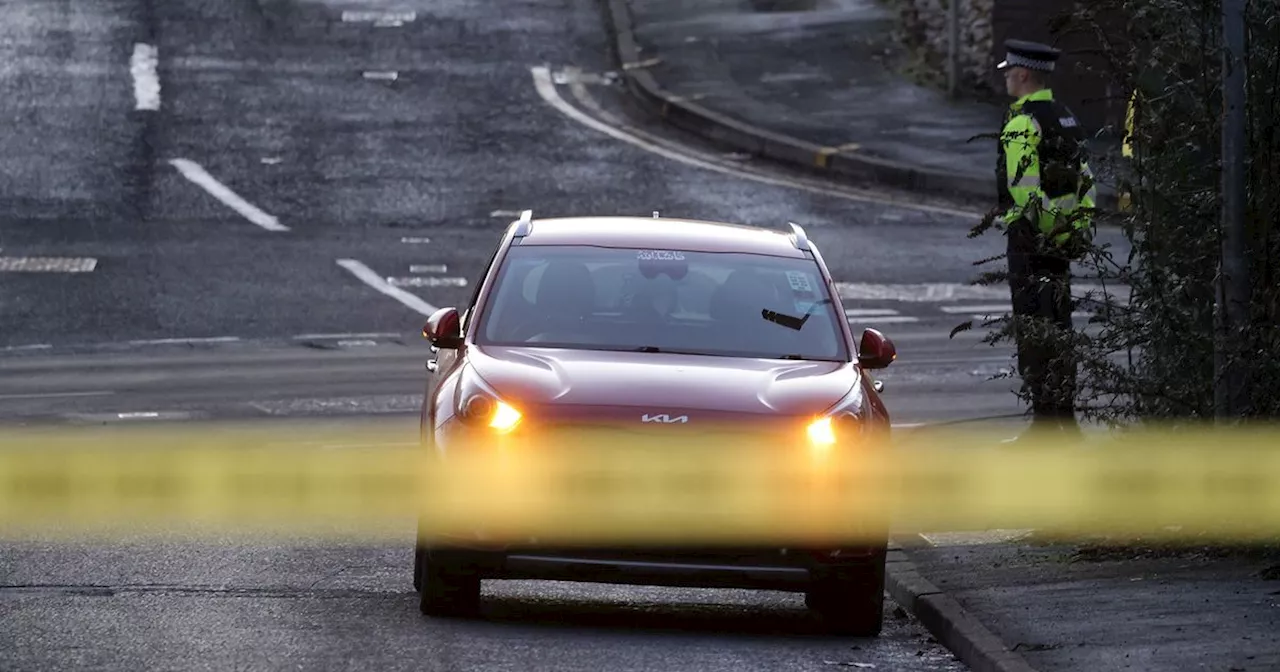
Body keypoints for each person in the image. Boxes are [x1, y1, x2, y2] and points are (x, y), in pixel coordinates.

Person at [994, 39, 1097, 439]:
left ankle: (1045, 427)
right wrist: (1075, 233)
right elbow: (1087, 181)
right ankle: (1065, 422)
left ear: (1022, 75)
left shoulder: (1023, 122)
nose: (1005, 77)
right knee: (1060, 329)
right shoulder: (1064, 117)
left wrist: (1047, 232)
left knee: (1035, 332)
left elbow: (1025, 192)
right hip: (1062, 245)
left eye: (1008, 72)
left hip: (1031, 243)